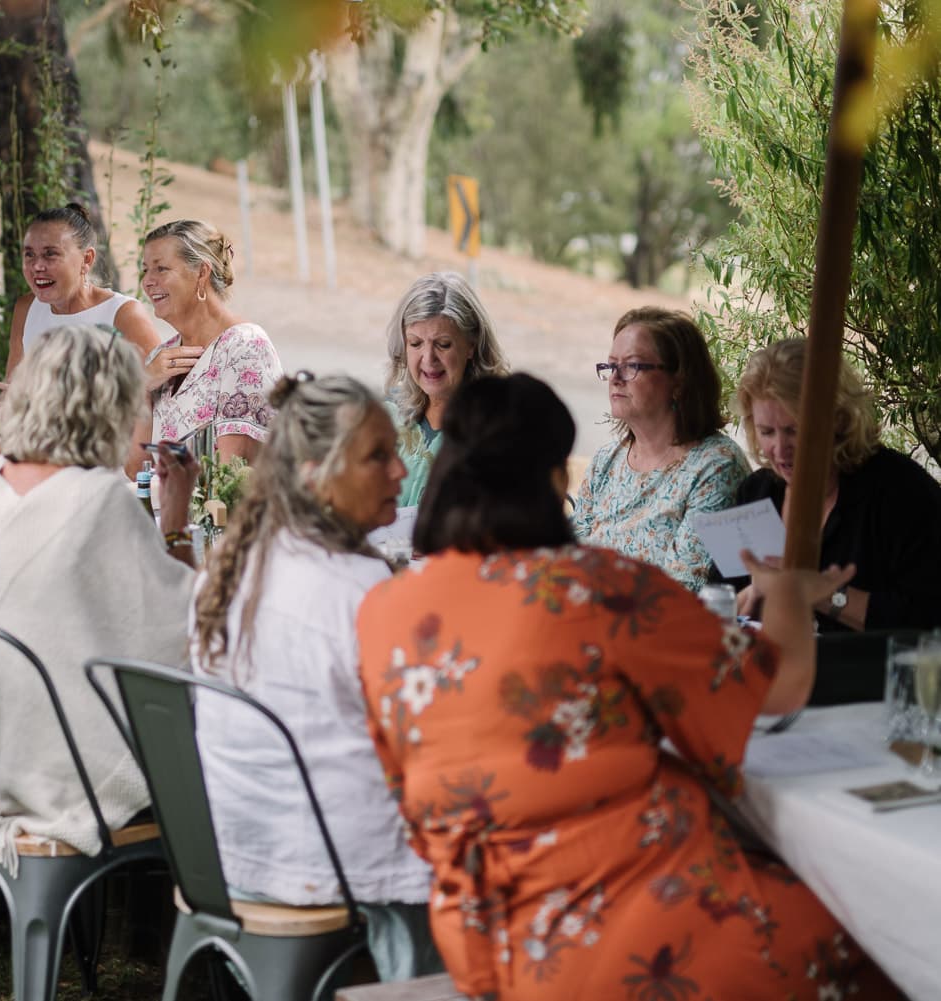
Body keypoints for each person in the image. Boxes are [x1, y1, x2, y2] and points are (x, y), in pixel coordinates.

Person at [355, 373, 895, 1001]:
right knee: (871, 946)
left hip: (483, 935)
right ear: (556, 480)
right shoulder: (597, 588)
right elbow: (775, 685)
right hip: (633, 931)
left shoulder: (384, 611)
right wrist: (794, 596)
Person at [191, 372, 440, 984]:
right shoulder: (358, 590)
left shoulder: (233, 562)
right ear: (315, 474)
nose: (400, 472)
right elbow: (427, 739)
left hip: (231, 848)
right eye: (377, 457)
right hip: (329, 861)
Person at [0, 324, 198, 868]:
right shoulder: (97, 500)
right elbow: (181, 630)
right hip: (57, 767)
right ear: (109, 410)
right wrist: (176, 520)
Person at [726, 338, 941, 632]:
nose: (779, 448)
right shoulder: (757, 494)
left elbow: (925, 616)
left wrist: (822, 594)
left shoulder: (901, 492)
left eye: (794, 430)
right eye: (766, 432)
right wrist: (753, 595)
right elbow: (717, 605)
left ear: (837, 420)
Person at [573, 307, 747, 590]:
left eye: (632, 366)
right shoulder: (607, 461)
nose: (615, 377)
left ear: (679, 380)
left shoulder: (715, 467)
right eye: (611, 365)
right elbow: (570, 558)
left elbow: (685, 588)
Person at [140, 219, 281, 462]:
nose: (147, 281)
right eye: (145, 270)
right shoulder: (160, 360)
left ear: (201, 273)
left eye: (161, 268)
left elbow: (233, 475)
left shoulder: (245, 347)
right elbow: (136, 469)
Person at [382, 272, 508, 507]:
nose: (428, 359)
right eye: (416, 343)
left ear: (471, 344)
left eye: (443, 344)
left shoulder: (495, 429)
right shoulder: (388, 414)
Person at [3, 203, 158, 377]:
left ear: (87, 259)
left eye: (50, 254)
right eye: (29, 254)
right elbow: (10, 392)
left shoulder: (124, 314)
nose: (37, 266)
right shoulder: (26, 308)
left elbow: (157, 396)